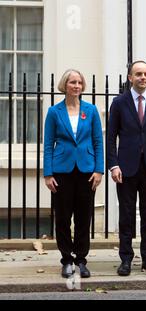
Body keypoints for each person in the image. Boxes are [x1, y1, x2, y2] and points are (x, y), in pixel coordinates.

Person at [107, 61, 146, 276]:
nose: (143, 77)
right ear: (130, 77)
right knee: (126, 215)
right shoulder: (119, 103)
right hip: (125, 168)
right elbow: (110, 137)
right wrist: (113, 165)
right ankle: (125, 259)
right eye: (138, 74)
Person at [44, 69, 104, 279]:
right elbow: (48, 144)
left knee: (83, 217)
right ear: (65, 85)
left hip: (86, 170)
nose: (76, 86)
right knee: (62, 217)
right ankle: (66, 260)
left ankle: (81, 259)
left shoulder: (91, 110)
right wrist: (47, 173)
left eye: (79, 82)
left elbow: (98, 141)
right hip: (62, 171)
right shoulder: (54, 112)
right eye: (72, 82)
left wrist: (99, 170)